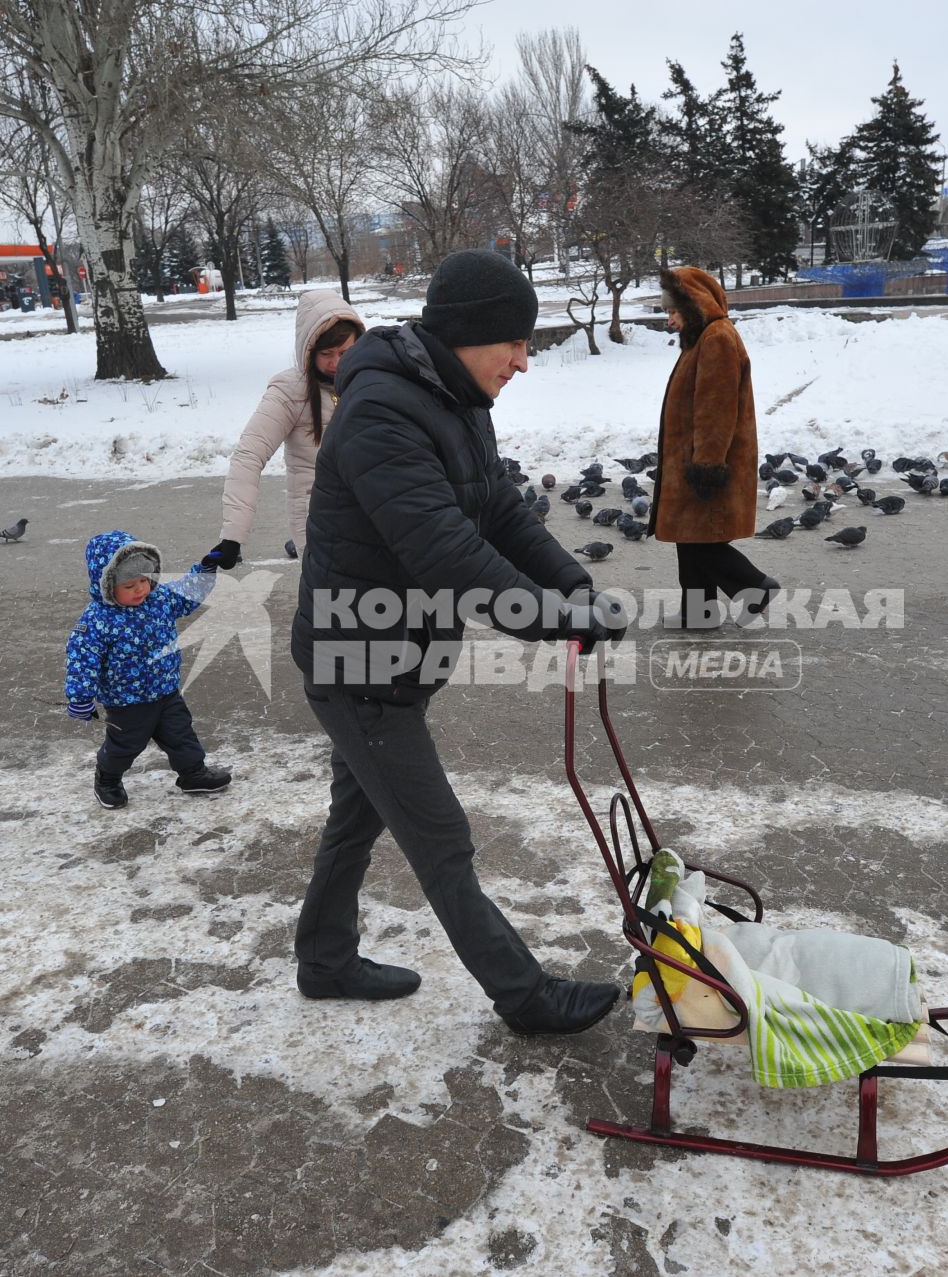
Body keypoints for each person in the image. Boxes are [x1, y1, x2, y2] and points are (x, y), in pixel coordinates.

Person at [290, 248, 626, 1035]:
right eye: (513, 341)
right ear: (467, 333)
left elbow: (500, 512)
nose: (523, 360)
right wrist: (555, 619)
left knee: (358, 812)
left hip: (394, 657)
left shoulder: (450, 395)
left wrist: (573, 587)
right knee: (440, 835)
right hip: (360, 663)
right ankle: (524, 995)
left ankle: (324, 958)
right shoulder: (381, 413)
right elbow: (446, 553)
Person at [66, 529, 232, 809]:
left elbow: (187, 593)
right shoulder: (97, 619)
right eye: (130, 586)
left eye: (145, 580)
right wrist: (80, 696)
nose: (141, 589)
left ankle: (192, 774)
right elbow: (82, 658)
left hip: (166, 691)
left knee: (181, 735)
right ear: (107, 584)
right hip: (127, 701)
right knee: (125, 745)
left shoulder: (159, 599)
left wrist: (206, 568)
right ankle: (107, 778)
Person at [650, 266, 776, 629]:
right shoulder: (702, 336)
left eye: (674, 312)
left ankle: (755, 586)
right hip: (689, 457)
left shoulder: (716, 338)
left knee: (698, 540)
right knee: (689, 537)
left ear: (693, 306)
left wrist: (706, 464)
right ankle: (699, 613)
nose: (670, 321)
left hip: (704, 460)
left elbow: (716, 408)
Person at [206, 290, 365, 568]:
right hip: (319, 517)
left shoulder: (371, 380)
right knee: (335, 603)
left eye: (344, 352)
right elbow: (248, 456)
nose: (336, 363)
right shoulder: (290, 391)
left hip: (372, 509)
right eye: (326, 354)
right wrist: (233, 536)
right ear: (308, 350)